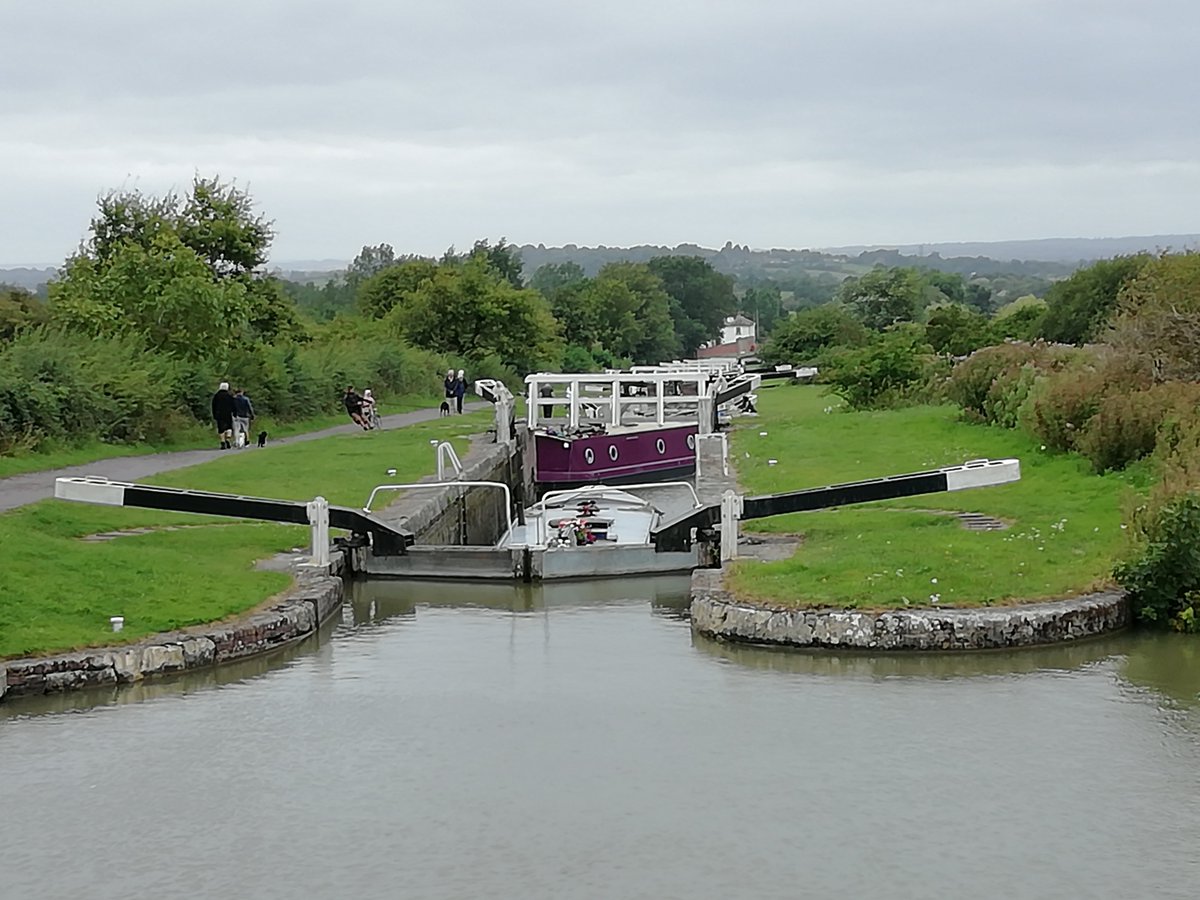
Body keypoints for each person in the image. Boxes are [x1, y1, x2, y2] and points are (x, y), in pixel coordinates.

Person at [211, 381, 237, 450]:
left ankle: (222, 441)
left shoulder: (216, 396)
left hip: (219, 414)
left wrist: (214, 414)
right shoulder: (229, 396)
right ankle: (227, 440)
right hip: (228, 413)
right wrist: (234, 413)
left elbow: (213, 405)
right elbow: (233, 405)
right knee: (229, 427)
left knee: (221, 428)